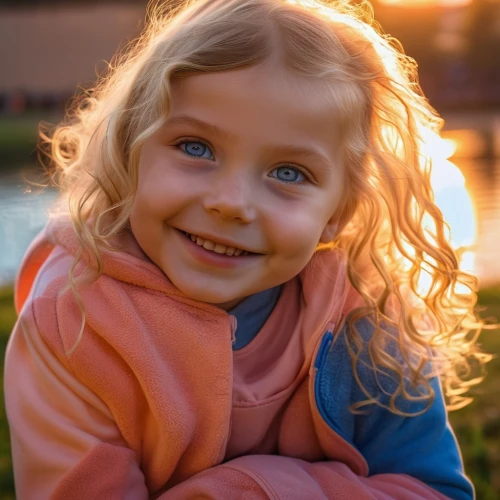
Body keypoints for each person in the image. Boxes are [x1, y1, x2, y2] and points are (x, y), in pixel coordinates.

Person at [4, 0, 488, 498]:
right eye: (196, 147)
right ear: (132, 147)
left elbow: (435, 489)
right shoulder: (73, 319)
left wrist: (256, 490)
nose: (231, 204)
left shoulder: (367, 325)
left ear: (339, 211)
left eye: (289, 173)